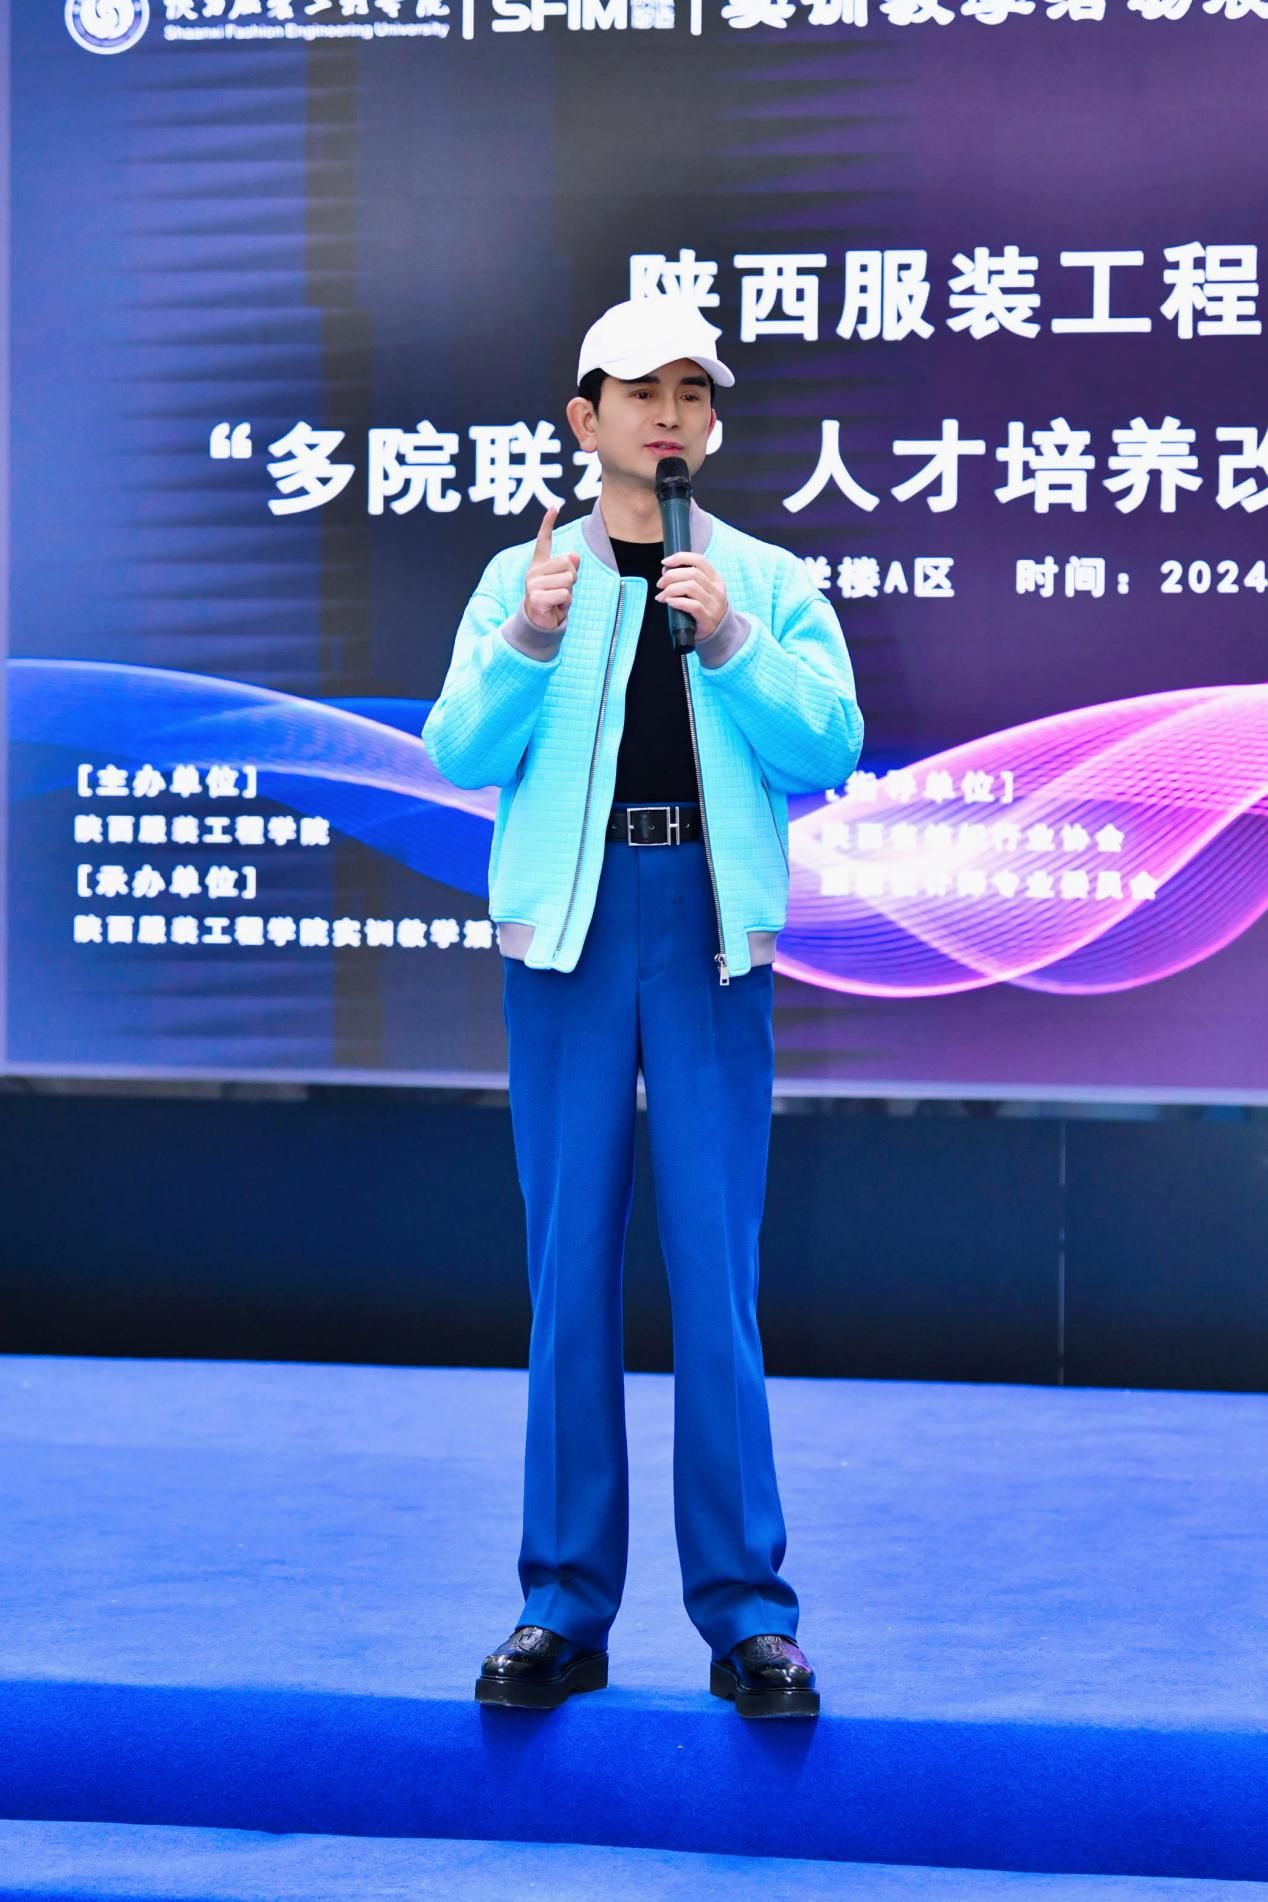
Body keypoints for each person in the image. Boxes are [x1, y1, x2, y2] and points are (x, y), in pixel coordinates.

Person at [421, 292, 864, 1720]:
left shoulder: (763, 579)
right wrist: (528, 639)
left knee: (716, 1275)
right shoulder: (525, 576)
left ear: (712, 424)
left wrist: (732, 641)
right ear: (586, 418)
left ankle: (748, 1617)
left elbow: (831, 744)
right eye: (640, 392)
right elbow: (456, 750)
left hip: (709, 932)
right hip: (569, 935)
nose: (669, 415)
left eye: (692, 393)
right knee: (568, 1271)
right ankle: (562, 1607)